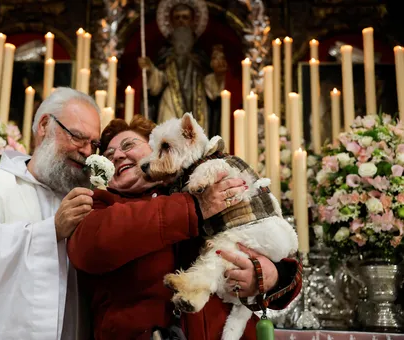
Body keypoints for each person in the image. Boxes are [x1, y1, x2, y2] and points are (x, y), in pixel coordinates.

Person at [68, 115, 302, 340]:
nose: (118, 155)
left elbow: (275, 240)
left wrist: (271, 276)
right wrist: (193, 208)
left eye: (128, 145)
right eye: (109, 154)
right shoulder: (99, 203)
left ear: (156, 148)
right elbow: (91, 247)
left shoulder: (213, 184)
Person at [0, 87, 100, 340]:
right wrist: (50, 230)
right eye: (77, 137)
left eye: (94, 144)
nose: (87, 152)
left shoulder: (89, 198)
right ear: (45, 125)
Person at [138, 1, 227, 132]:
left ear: (192, 21)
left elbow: (211, 88)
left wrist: (218, 75)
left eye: (185, 17)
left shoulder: (201, 57)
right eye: (177, 17)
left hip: (197, 104)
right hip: (170, 102)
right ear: (171, 22)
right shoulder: (164, 56)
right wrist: (150, 69)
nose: (181, 21)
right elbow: (156, 86)